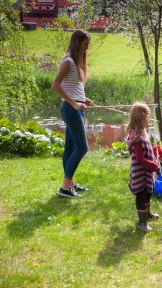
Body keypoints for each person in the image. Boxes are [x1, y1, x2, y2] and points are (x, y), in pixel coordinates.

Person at [52, 29, 94, 198]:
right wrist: (75, 103)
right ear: (77, 43)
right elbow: (55, 85)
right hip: (70, 109)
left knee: (70, 148)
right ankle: (64, 187)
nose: (87, 48)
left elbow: (73, 87)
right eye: (85, 45)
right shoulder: (68, 61)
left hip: (76, 107)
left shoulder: (75, 61)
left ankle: (70, 184)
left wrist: (83, 99)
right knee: (82, 147)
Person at [125, 102, 158, 232]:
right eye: (148, 117)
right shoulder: (137, 137)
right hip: (140, 172)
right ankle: (142, 222)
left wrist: (153, 158)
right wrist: (152, 164)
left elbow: (147, 150)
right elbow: (139, 158)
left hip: (147, 172)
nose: (149, 119)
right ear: (142, 117)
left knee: (148, 192)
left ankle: (148, 214)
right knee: (142, 196)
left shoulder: (142, 131)